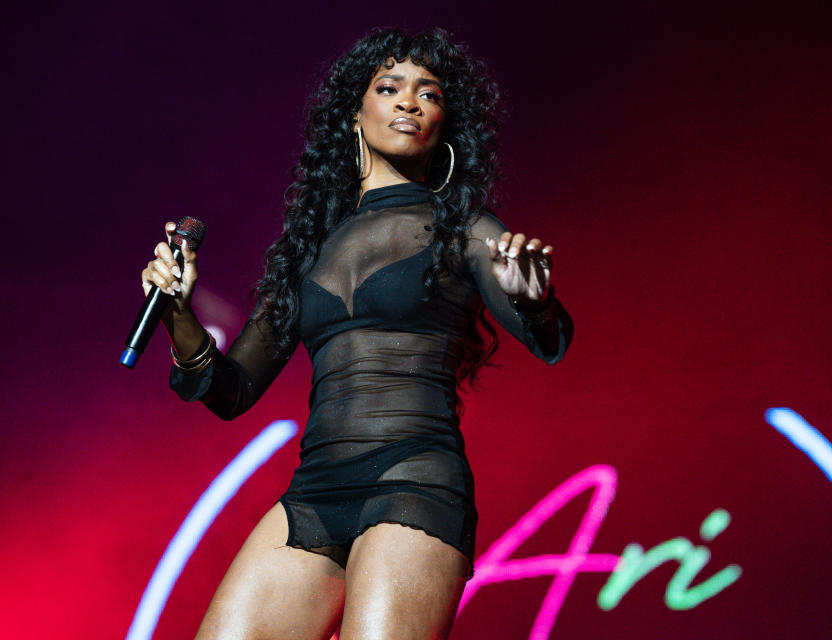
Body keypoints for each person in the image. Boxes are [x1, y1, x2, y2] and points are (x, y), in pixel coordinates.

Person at [141, 28, 573, 640]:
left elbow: (549, 339)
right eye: (390, 87)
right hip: (315, 491)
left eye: (429, 94)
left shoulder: (465, 230)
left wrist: (535, 301)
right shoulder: (308, 249)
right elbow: (229, 391)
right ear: (355, 113)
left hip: (414, 483)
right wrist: (178, 313)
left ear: (445, 126)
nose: (408, 102)